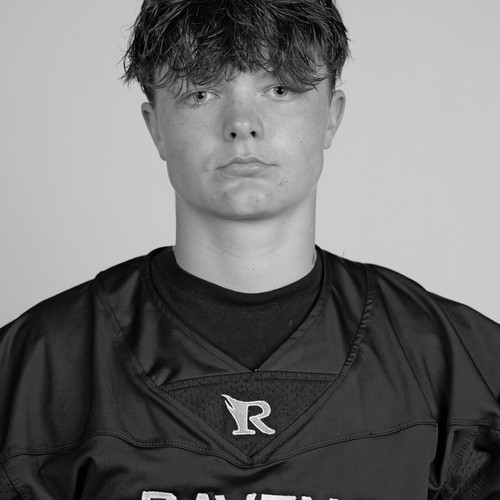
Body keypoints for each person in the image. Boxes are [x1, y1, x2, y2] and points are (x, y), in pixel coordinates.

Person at [1, 0, 499, 498]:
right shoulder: (33, 372)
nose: (242, 123)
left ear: (331, 116)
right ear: (156, 128)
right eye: (201, 92)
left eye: (280, 89)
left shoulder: (461, 367)